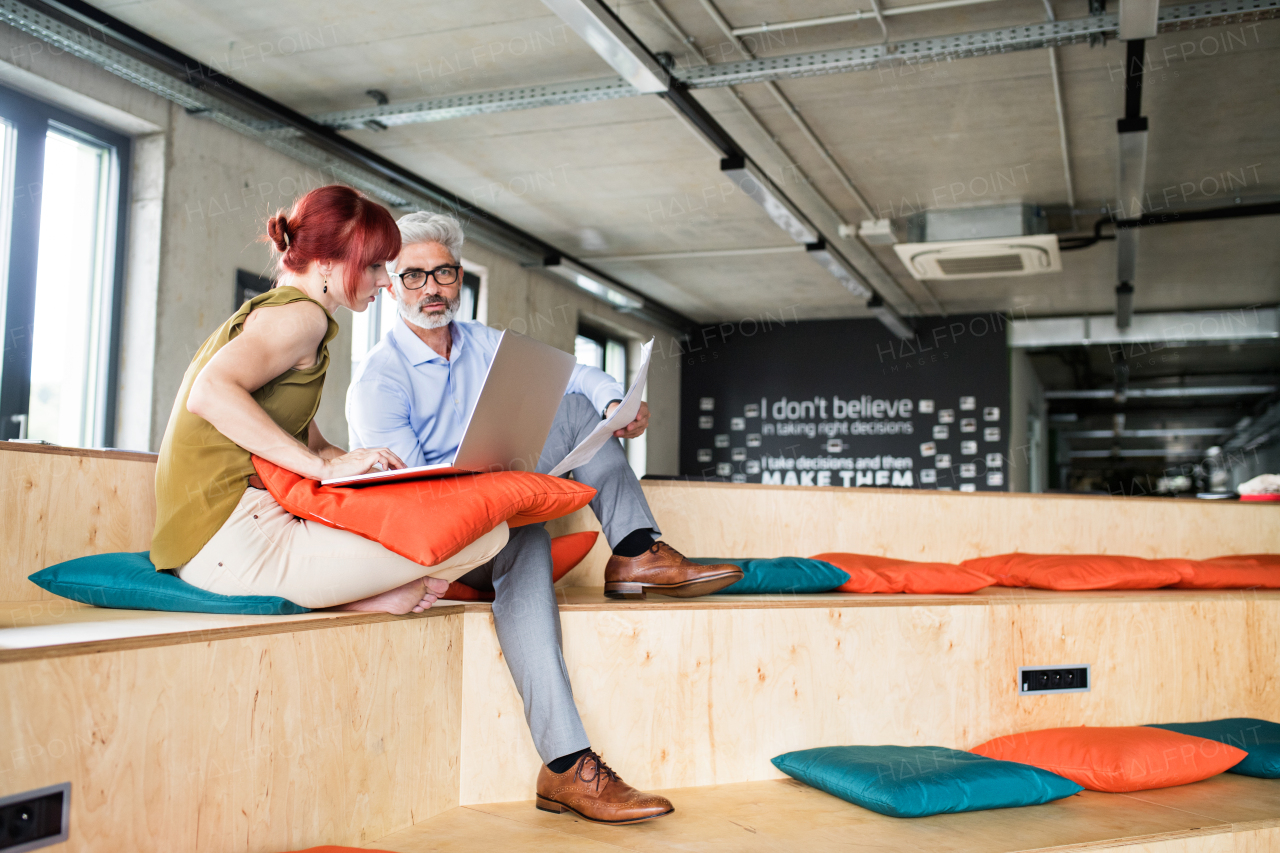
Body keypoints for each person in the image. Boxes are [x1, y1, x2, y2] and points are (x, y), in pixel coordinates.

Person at [344, 212, 743, 824]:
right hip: (445, 540)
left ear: (457, 279)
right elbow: (417, 502)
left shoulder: (482, 342)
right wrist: (492, 487)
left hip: (502, 504)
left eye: (444, 273)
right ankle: (567, 767)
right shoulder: (379, 379)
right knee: (523, 538)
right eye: (415, 275)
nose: (432, 288)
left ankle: (637, 548)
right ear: (392, 285)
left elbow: (577, 373)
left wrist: (616, 401)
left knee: (580, 404)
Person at [151, 185, 508, 615]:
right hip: (233, 546)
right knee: (489, 534)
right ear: (325, 264)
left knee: (449, 522)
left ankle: (370, 597)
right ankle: (368, 600)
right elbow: (208, 393)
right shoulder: (302, 318)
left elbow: (314, 444)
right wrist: (322, 468)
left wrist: (372, 476)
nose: (384, 279)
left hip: (224, 537)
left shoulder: (281, 312)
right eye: (374, 265)